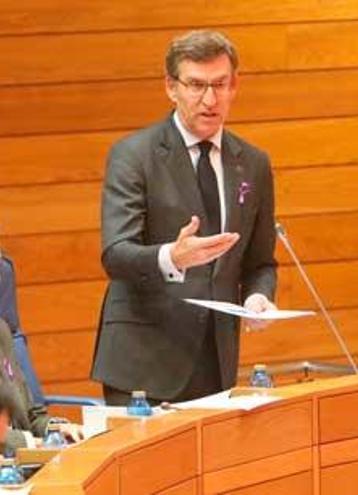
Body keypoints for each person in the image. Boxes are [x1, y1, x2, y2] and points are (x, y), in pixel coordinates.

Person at [91, 30, 279, 405]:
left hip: (217, 360)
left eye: (219, 85)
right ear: (171, 87)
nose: (209, 100)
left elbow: (260, 262)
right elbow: (116, 254)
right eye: (196, 85)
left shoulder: (253, 163)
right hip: (144, 361)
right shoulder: (134, 155)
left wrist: (259, 297)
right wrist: (171, 257)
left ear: (234, 85)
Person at [0, 319, 83, 451]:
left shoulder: (2, 331)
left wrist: (57, 429)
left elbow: (30, 416)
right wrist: (31, 443)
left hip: (26, 459)